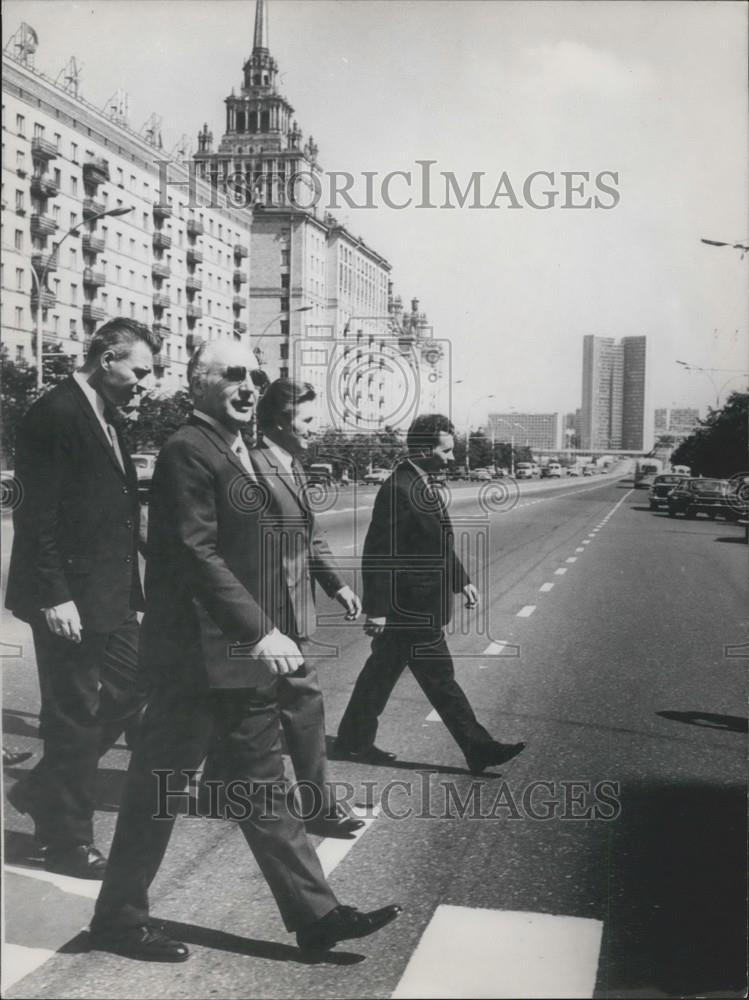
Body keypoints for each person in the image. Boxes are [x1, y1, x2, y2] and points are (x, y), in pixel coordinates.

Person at [89, 340, 400, 962]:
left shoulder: (239, 451)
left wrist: (268, 624)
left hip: (235, 658)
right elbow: (196, 552)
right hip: (192, 662)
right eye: (232, 375)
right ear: (197, 383)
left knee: (262, 788)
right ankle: (118, 919)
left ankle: (316, 916)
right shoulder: (187, 449)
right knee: (160, 790)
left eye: (254, 377)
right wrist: (260, 629)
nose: (248, 387)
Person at [5, 319, 160, 878]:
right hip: (66, 597)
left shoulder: (108, 416)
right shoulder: (56, 413)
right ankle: (66, 843)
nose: (144, 383)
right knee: (73, 716)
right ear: (105, 356)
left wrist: (135, 595)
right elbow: (36, 515)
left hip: (109, 595)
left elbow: (120, 518)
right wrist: (53, 597)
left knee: (138, 683)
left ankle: (43, 789)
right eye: (138, 371)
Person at [335, 413, 525, 774]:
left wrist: (462, 580)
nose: (452, 458)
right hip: (410, 607)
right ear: (423, 449)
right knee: (440, 677)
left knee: (381, 672)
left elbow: (435, 545)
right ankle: (478, 747)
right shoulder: (398, 489)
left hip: (419, 603)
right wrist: (377, 609)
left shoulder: (421, 483)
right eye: (446, 451)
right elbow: (379, 553)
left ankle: (352, 741)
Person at [242, 378, 364, 837]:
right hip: (269, 612)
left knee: (231, 707)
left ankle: (219, 783)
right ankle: (318, 806)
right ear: (280, 420)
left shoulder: (291, 465)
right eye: (308, 419)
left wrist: (337, 586)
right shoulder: (253, 467)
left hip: (290, 609)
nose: (317, 427)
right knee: (303, 701)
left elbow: (309, 536)